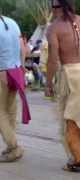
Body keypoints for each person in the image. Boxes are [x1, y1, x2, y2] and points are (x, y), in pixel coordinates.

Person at [45, 0, 80, 172]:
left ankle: (77, 160)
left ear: (60, 7)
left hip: (71, 74)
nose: (52, 11)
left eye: (53, 7)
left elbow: (53, 60)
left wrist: (48, 82)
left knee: (70, 119)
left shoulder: (54, 28)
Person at [0, 15, 27, 162]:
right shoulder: (12, 21)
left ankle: (14, 147)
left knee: (0, 112)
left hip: (2, 71)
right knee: (9, 110)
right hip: (15, 70)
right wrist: (22, 65)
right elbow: (23, 47)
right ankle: (10, 146)